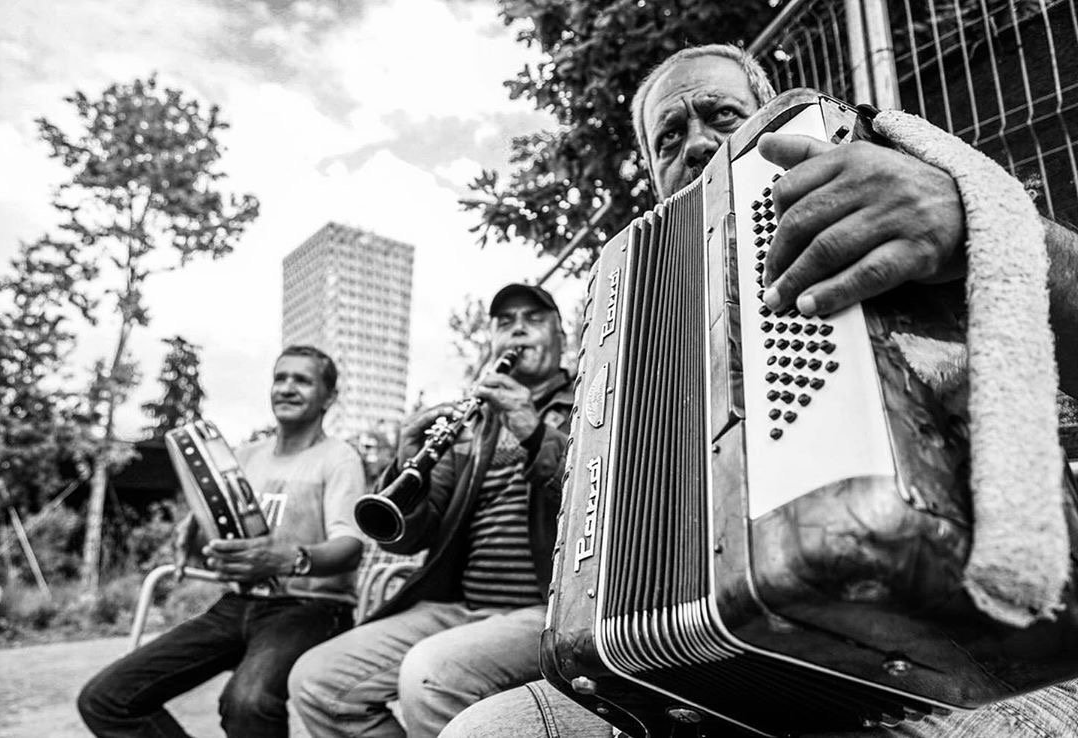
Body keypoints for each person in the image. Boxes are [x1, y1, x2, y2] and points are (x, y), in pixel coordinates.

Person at [441, 43, 1078, 738]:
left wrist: (973, 223)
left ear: (773, 122)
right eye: (669, 138)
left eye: (722, 115)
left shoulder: (887, 181)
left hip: (970, 659)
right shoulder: (640, 319)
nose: (696, 144)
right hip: (711, 670)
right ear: (654, 176)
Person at [287, 282, 575, 738]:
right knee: (316, 680)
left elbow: (602, 492)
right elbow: (409, 537)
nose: (517, 330)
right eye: (505, 322)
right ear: (493, 341)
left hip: (550, 610)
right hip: (462, 608)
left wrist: (534, 432)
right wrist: (408, 467)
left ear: (562, 336)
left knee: (429, 675)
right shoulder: (475, 424)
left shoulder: (591, 397)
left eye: (533, 319)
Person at [78, 345, 366, 738]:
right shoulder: (244, 456)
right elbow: (219, 535)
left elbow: (351, 549)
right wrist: (195, 530)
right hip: (237, 603)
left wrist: (288, 559)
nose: (286, 388)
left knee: (247, 701)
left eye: (302, 380)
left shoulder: (339, 458)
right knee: (106, 698)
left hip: (312, 607)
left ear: (328, 397)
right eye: (280, 378)